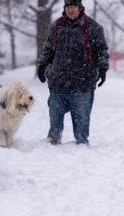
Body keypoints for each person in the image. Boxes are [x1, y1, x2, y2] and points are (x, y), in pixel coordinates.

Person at [37, 0, 109, 145]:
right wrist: (42, 65)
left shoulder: (93, 27)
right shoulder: (57, 26)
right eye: (68, 7)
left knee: (81, 120)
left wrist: (103, 69)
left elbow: (101, 51)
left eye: (73, 7)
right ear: (64, 8)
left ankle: (81, 145)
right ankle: (52, 141)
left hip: (83, 83)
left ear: (80, 8)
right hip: (58, 82)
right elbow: (48, 49)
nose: (70, 10)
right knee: (55, 118)